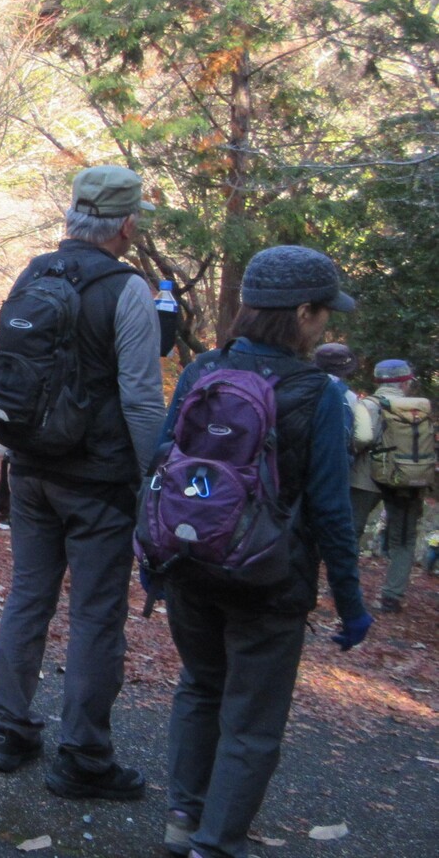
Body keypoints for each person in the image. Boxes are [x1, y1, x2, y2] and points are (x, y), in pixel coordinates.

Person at [158, 246, 370, 858]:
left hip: (190, 564)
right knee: (252, 717)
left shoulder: (203, 372)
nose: (327, 322)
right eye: (324, 311)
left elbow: (162, 462)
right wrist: (350, 605)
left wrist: (154, 562)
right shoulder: (319, 393)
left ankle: (182, 821)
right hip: (269, 579)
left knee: (200, 688)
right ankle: (217, 843)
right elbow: (332, 511)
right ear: (302, 313)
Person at [0, 165, 165, 801]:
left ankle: (10, 730)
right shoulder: (126, 289)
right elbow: (142, 399)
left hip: (30, 469)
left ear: (72, 218)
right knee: (94, 616)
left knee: (27, 596)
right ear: (127, 224)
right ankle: (84, 756)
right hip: (97, 481)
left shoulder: (35, 273)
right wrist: (155, 481)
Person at [351, 359, 430, 613]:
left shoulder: (367, 405)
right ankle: (392, 596)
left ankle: (345, 585)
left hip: (366, 477)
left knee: (352, 532)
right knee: (404, 539)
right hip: (407, 478)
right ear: (405, 382)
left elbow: (361, 438)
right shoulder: (420, 409)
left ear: (377, 381)